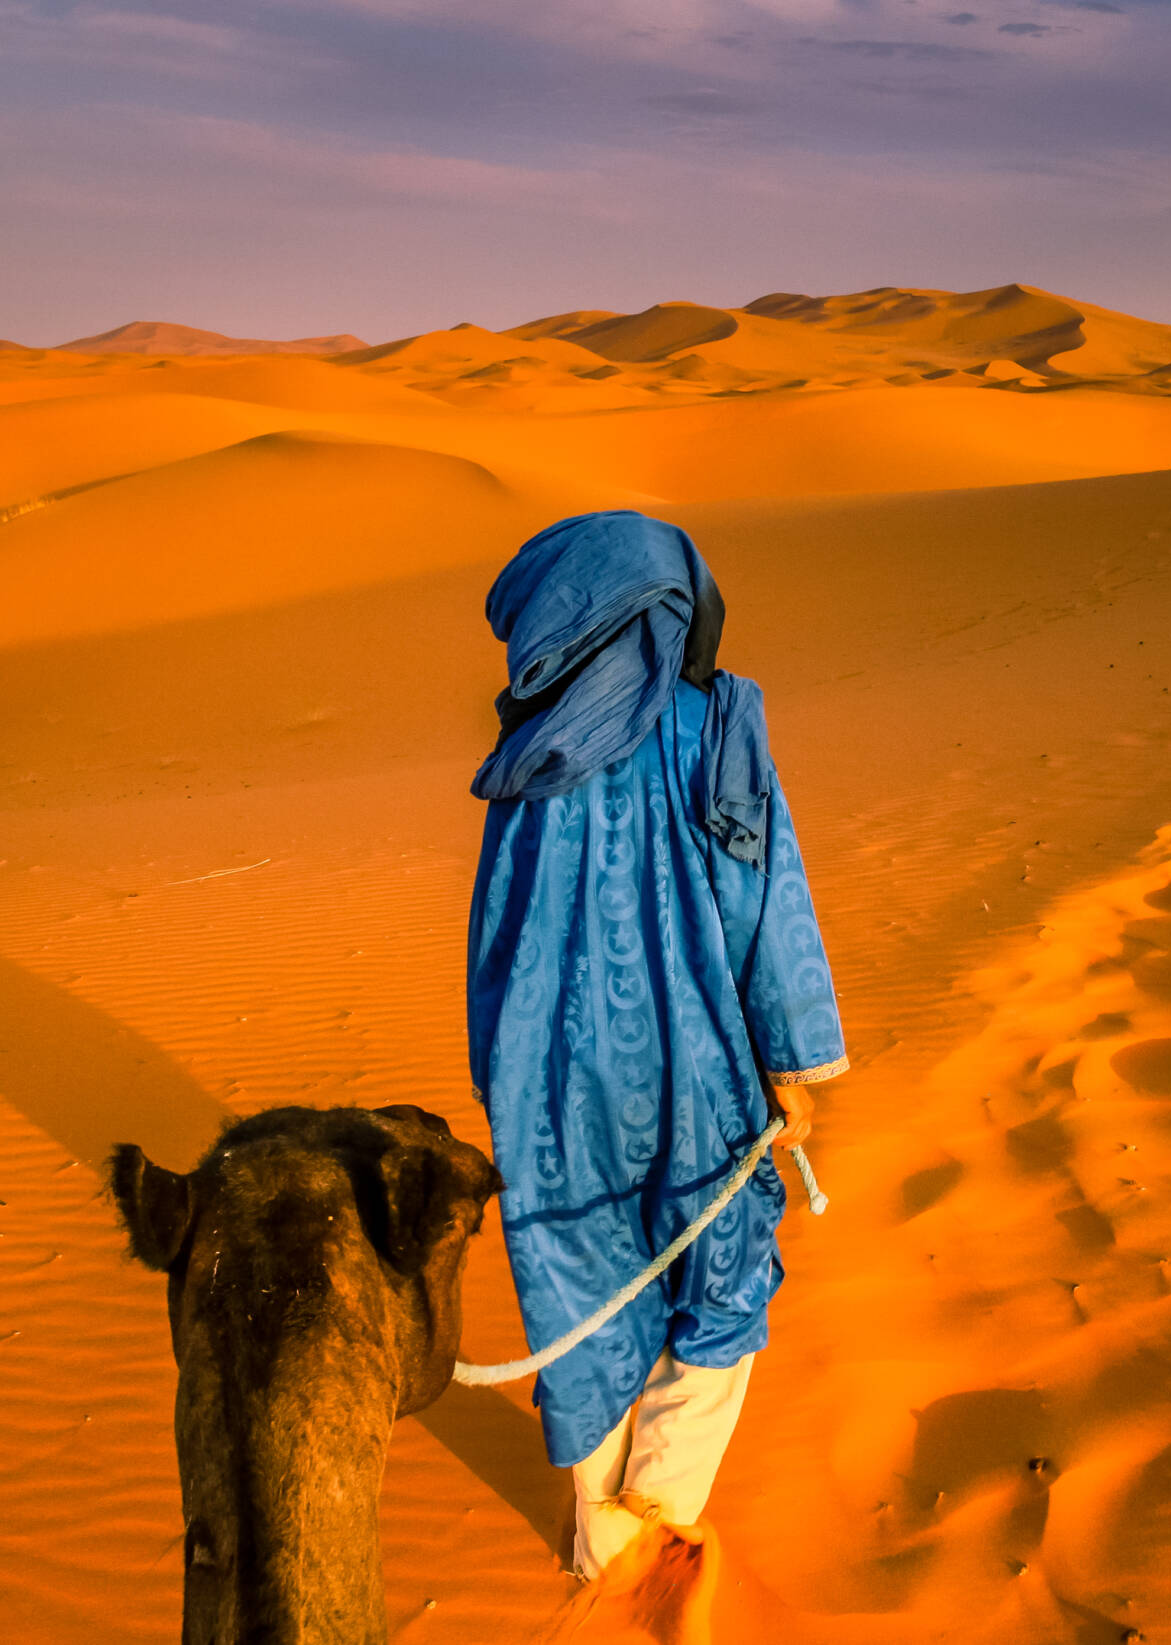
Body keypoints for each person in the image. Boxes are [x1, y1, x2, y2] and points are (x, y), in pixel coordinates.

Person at [464, 509, 847, 1582]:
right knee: (721, 1282)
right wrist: (792, 1061)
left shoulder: (530, 753)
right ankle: (654, 1522)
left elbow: (495, 936)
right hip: (696, 1074)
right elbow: (763, 897)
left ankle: (602, 1545)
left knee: (583, 1300)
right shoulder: (710, 727)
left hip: (550, 1089)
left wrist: (505, 1073)